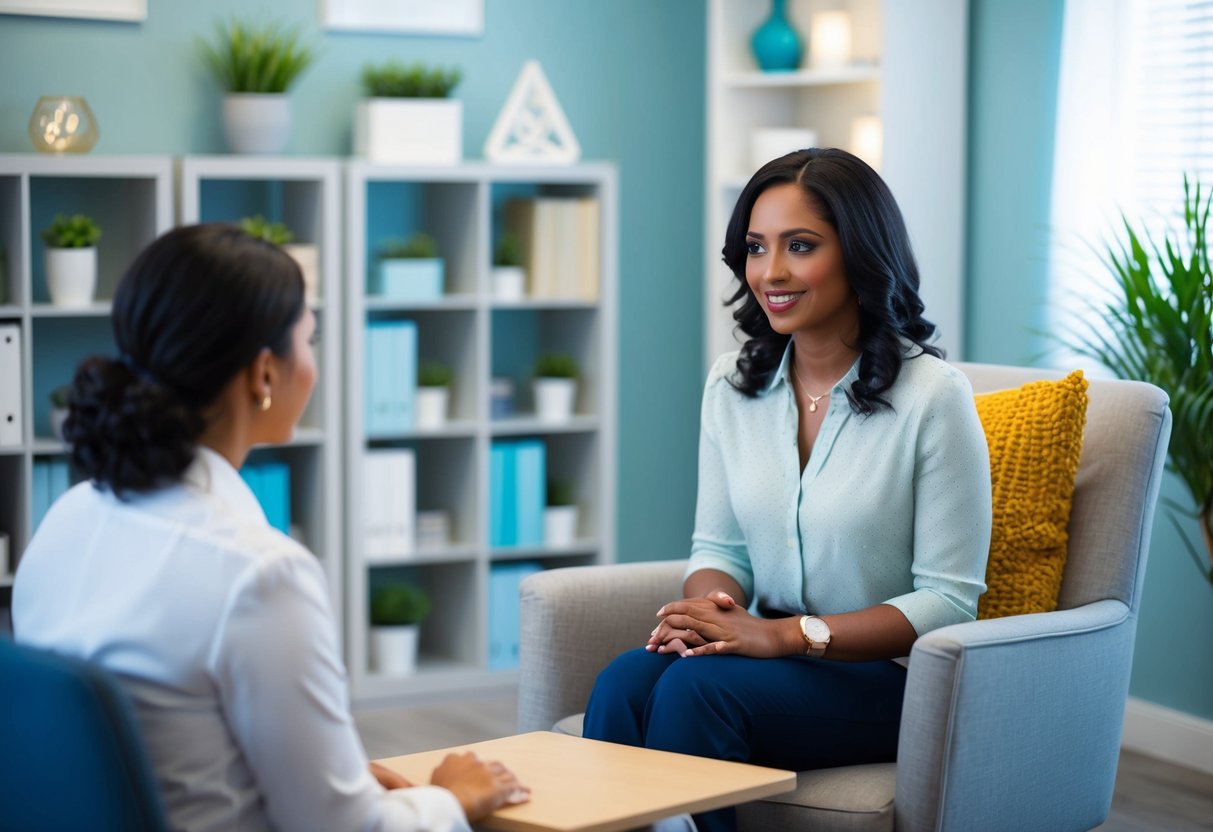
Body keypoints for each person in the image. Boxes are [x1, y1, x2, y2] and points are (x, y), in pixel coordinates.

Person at [13, 224, 526, 832]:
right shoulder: (259, 574)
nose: (313, 362)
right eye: (309, 339)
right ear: (263, 374)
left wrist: (336, 773)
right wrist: (453, 797)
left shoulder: (64, 520)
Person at [581, 148, 993, 832]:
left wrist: (786, 637)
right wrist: (711, 614)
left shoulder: (932, 398)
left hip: (887, 680)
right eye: (754, 247)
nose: (770, 273)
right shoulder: (730, 385)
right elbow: (718, 548)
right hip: (762, 659)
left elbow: (949, 603)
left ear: (859, 252)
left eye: (799, 247)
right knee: (626, 680)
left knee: (699, 689)